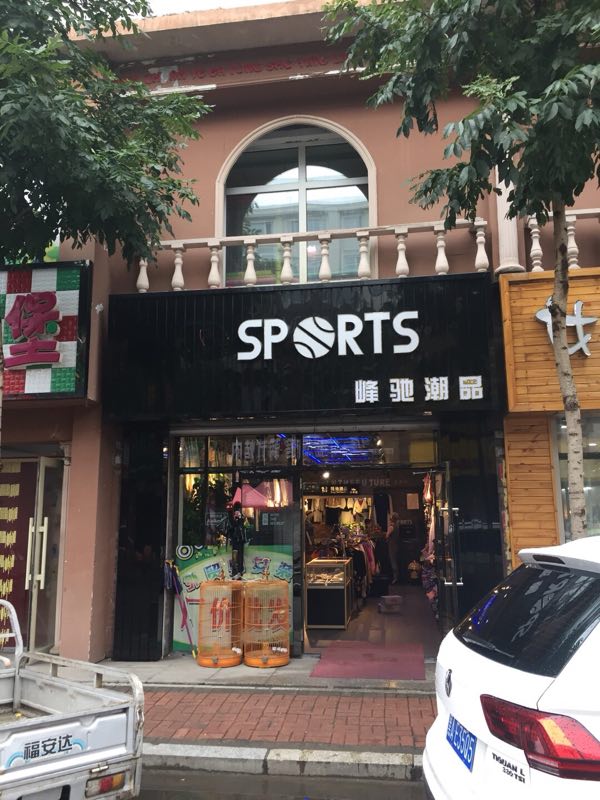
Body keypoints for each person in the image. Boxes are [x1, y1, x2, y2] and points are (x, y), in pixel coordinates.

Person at [386, 512, 402, 585]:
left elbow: (387, 535)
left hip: (392, 545)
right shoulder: (397, 525)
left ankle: (395, 578)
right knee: (395, 560)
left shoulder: (391, 526)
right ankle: (397, 577)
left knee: (393, 561)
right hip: (396, 544)